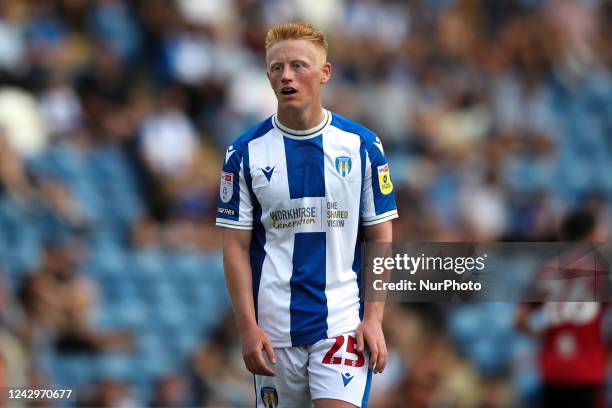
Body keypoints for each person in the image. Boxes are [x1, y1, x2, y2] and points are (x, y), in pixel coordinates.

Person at [216, 22, 398, 408]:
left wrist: (374, 318)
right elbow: (234, 246)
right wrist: (247, 327)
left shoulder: (362, 146)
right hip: (274, 332)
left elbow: (381, 236)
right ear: (268, 75)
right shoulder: (244, 153)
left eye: (299, 66)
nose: (287, 76)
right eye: (277, 67)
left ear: (325, 73)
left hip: (342, 326)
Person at [515, 207, 608, 408]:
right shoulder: (601, 274)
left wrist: (545, 334)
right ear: (592, 235)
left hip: (552, 369)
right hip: (588, 369)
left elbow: (519, 320)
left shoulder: (544, 272)